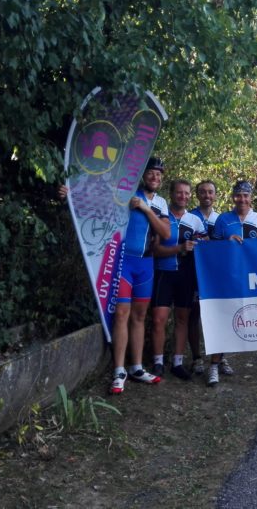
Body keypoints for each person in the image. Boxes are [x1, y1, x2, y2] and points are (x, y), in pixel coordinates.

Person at [109, 157, 172, 393]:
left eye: (159, 174)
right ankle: (118, 370)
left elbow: (165, 232)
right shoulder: (127, 193)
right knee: (122, 314)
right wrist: (68, 193)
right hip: (124, 263)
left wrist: (146, 208)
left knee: (139, 316)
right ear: (142, 174)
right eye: (151, 173)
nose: (155, 177)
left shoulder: (161, 203)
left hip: (146, 265)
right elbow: (97, 201)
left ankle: (136, 367)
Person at [210, 180, 257, 385]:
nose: (242, 199)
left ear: (251, 198)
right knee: (223, 320)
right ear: (233, 197)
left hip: (255, 277)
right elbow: (211, 250)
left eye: (246, 195)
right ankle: (214, 366)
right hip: (229, 277)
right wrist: (226, 243)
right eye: (238, 195)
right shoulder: (223, 219)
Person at [149, 179, 206, 381]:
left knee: (183, 319)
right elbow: (154, 250)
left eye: (186, 193)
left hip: (186, 276)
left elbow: (205, 248)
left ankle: (178, 363)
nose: (183, 196)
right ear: (172, 194)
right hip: (163, 273)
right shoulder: (161, 218)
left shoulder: (195, 221)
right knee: (159, 319)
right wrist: (179, 249)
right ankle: (157, 363)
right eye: (179, 193)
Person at [189, 180, 224, 377]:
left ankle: (220, 358)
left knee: (219, 316)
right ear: (197, 195)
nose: (207, 195)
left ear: (216, 195)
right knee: (195, 315)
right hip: (194, 273)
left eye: (210, 192)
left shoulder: (222, 219)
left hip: (216, 275)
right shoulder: (189, 216)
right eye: (203, 192)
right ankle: (196, 358)